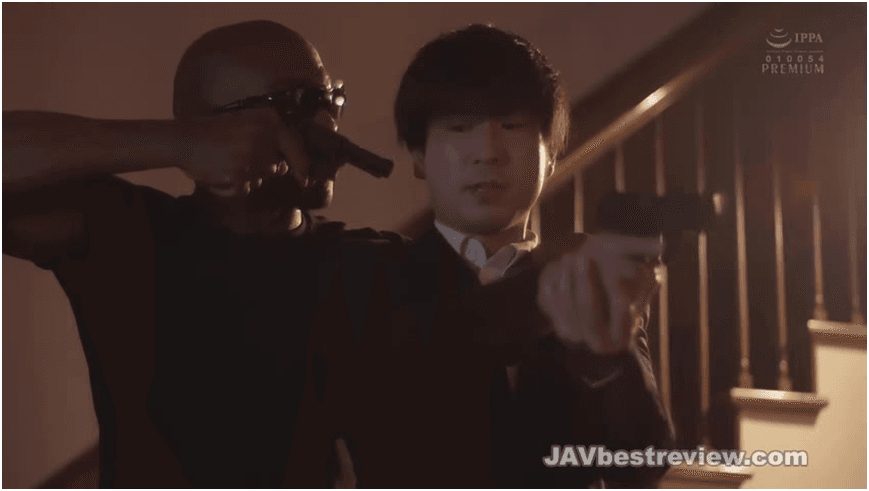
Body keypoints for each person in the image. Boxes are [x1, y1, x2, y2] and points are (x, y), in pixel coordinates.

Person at [3, 20, 403, 488]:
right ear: (213, 127)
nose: (327, 125)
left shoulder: (379, 265)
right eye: (293, 103)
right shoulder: (127, 234)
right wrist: (177, 144)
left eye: (329, 99)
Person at [286, 24, 674, 488]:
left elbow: (644, 463)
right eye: (459, 128)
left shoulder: (582, 280)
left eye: (511, 126)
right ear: (418, 155)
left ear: (551, 154)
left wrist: (610, 359)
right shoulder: (367, 273)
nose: (487, 152)